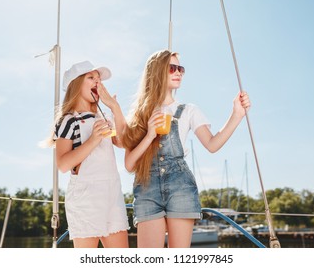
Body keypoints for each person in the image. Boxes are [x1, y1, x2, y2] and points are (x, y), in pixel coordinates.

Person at [122, 50, 251, 248]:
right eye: (172, 68)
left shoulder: (189, 110)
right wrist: (149, 135)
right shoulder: (140, 114)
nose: (179, 72)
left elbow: (212, 144)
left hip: (180, 187)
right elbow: (130, 165)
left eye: (180, 69)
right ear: (157, 72)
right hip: (147, 188)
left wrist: (237, 115)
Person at [44, 60, 129, 248]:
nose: (97, 82)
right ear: (75, 85)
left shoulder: (104, 118)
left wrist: (115, 107)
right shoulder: (69, 120)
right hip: (86, 199)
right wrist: (93, 140)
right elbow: (63, 164)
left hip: (112, 194)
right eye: (91, 78)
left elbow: (123, 142)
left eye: (98, 79)